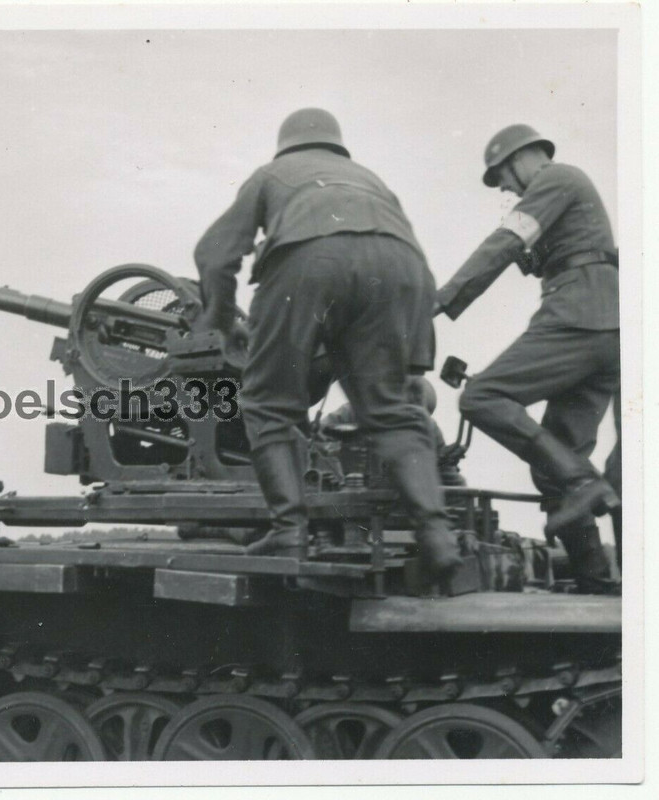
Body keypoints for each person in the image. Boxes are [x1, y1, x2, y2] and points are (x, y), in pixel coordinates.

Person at [193, 108, 461, 579]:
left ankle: (289, 531)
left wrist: (218, 319)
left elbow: (214, 255)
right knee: (391, 410)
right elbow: (407, 261)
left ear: (286, 145)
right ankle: (437, 532)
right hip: (403, 269)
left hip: (312, 262)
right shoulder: (372, 181)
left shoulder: (273, 174)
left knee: (267, 403)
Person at [434, 124, 619, 593]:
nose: (508, 190)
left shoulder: (558, 179)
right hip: (606, 328)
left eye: (505, 178)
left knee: (481, 396)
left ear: (523, 158)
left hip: (579, 316)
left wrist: (442, 300)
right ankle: (595, 580)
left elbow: (504, 243)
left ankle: (586, 483)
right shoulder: (569, 193)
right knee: (554, 459)